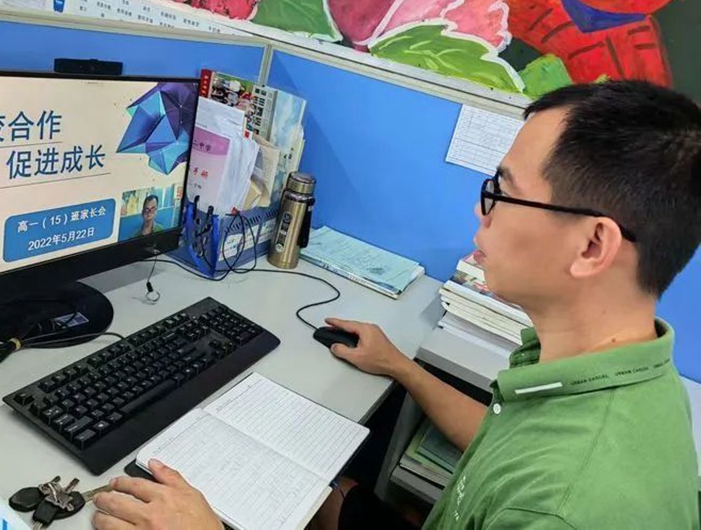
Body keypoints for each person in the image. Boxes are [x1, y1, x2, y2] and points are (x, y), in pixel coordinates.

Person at [91, 80, 701, 529]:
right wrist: (403, 369)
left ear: (592, 245)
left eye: (502, 192)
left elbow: (544, 485)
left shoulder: (566, 508)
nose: (480, 209)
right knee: (318, 489)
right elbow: (505, 442)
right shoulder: (620, 368)